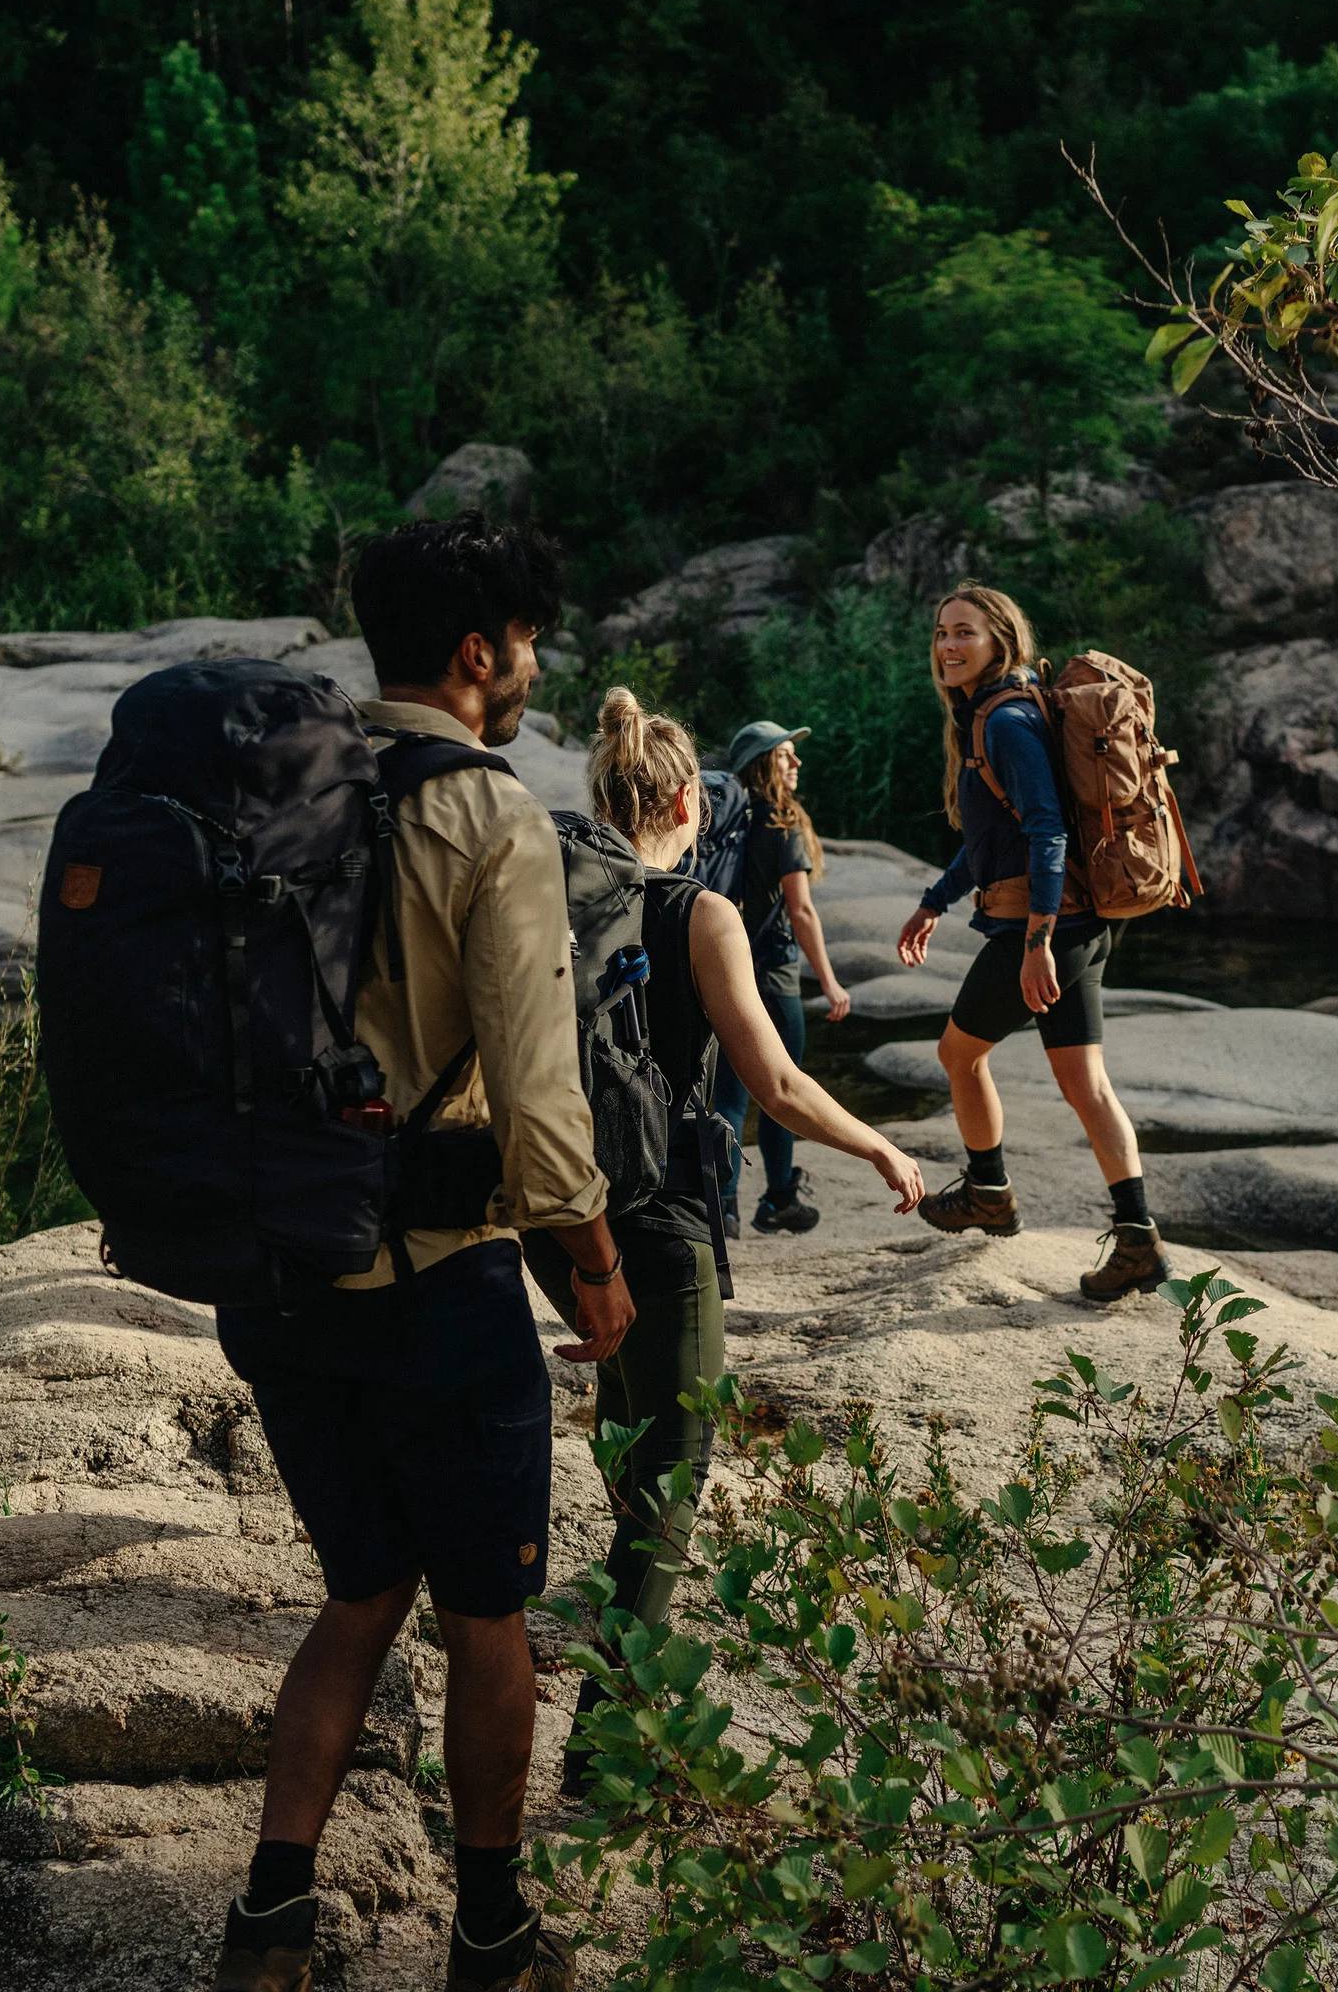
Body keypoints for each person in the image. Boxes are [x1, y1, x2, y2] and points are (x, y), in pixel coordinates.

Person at [209, 516, 632, 1992]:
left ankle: (270, 1918)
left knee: (361, 1591)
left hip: (274, 1274)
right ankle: (493, 1934)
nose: (532, 669)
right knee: (487, 1613)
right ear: (476, 651)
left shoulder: (278, 786)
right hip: (435, 1283)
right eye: (526, 644)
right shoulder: (490, 816)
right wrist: (593, 1263)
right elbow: (539, 1098)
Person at [527, 686, 923, 1794]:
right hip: (658, 1219)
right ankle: (606, 1752)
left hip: (560, 1219)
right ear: (684, 807)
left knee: (631, 1432)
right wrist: (877, 1146)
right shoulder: (701, 914)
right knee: (673, 1469)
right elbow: (777, 1084)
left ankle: (619, 1648)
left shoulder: (547, 899)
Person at [894, 584, 1171, 1301]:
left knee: (958, 1055)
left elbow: (1047, 831)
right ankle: (1138, 1240)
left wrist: (1037, 943)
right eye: (941, 632)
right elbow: (994, 839)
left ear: (1002, 641)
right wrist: (934, 901)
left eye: (965, 632)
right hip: (1079, 925)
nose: (948, 645)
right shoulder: (1004, 711)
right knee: (1087, 1086)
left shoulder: (1008, 720)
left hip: (1045, 927)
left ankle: (989, 1191)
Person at [710, 719, 853, 1236]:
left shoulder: (730, 819)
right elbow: (802, 910)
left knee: (729, 1094)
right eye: (786, 755)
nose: (797, 762)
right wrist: (829, 982)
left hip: (726, 968)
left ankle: (722, 1207)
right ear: (764, 763)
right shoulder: (781, 821)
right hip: (773, 975)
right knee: (783, 1089)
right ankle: (778, 1199)